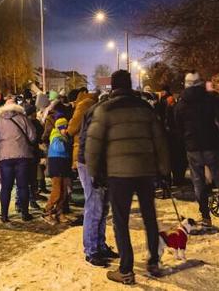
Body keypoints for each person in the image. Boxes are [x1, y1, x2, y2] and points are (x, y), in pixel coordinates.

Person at [85, 70, 170, 284]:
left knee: (121, 221)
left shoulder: (105, 110)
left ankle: (126, 270)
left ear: (113, 87)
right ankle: (153, 261)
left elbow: (93, 146)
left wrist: (95, 172)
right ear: (130, 85)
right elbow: (160, 141)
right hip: (145, 171)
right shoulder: (145, 108)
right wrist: (164, 170)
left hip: (118, 173)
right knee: (149, 216)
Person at [175, 72, 219, 229]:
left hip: (192, 147)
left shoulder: (182, 102)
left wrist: (185, 139)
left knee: (198, 183)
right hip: (212, 145)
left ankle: (206, 217)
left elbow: (177, 125)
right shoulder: (210, 99)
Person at [76, 93, 118, 267]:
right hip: (90, 164)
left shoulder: (102, 112)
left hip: (101, 165)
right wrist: (95, 170)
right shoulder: (98, 114)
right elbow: (90, 145)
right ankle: (91, 250)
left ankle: (100, 245)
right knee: (94, 207)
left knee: (102, 208)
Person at [0, 101, 37, 222]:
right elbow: (32, 136)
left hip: (4, 157)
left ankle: (4, 215)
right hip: (22, 155)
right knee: (22, 186)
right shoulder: (23, 118)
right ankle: (25, 213)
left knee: (6, 187)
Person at [43, 118, 73, 224]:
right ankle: (47, 211)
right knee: (57, 191)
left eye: (66, 127)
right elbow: (61, 149)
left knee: (64, 191)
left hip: (64, 165)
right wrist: (67, 141)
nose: (65, 130)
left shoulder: (65, 138)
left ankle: (59, 212)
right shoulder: (56, 137)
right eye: (63, 128)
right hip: (56, 165)